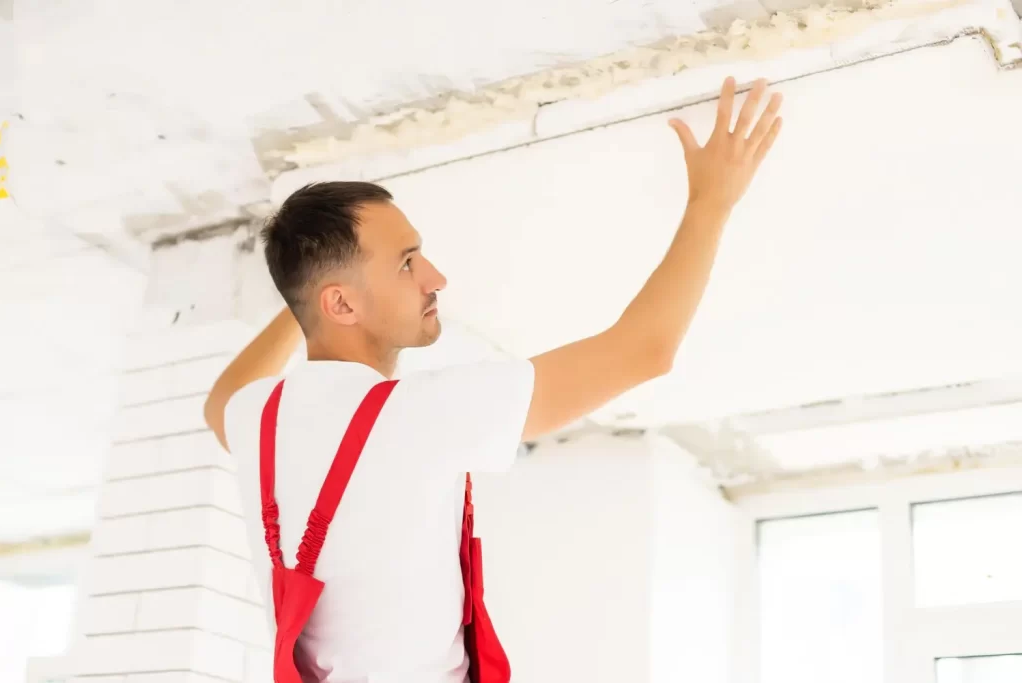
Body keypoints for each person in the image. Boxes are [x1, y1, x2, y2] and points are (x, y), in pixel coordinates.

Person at [204, 76, 783, 683]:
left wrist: (307, 302)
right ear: (342, 304)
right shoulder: (417, 417)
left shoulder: (257, 418)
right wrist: (710, 203)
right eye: (406, 263)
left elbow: (222, 397)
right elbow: (643, 351)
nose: (435, 277)